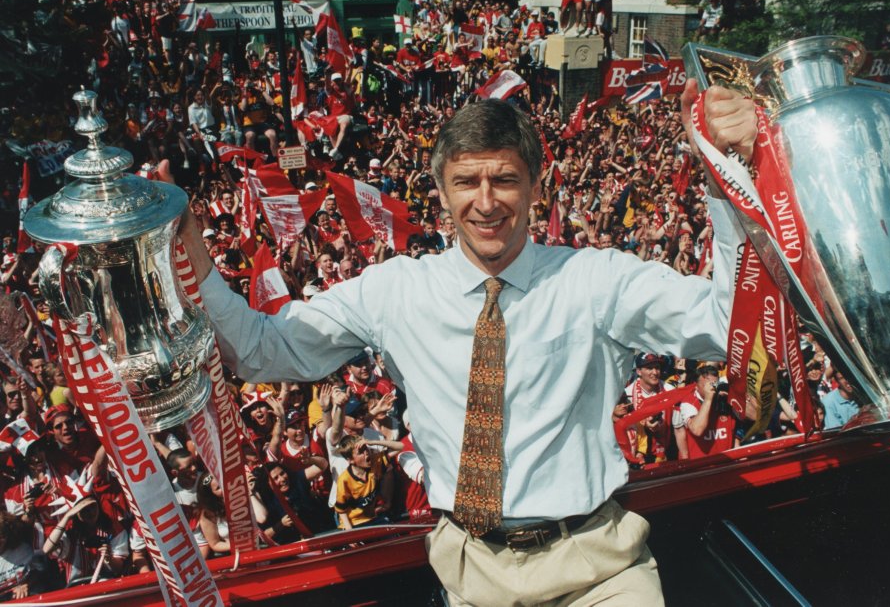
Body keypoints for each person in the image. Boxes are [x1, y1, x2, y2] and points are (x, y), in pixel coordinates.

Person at [164, 80, 757, 605]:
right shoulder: (395, 292)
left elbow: (728, 323)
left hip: (598, 573)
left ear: (535, 185)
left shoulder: (595, 280)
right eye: (465, 181)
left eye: (504, 179)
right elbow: (263, 350)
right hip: (471, 578)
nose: (486, 200)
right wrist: (185, 239)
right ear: (441, 192)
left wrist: (726, 174)